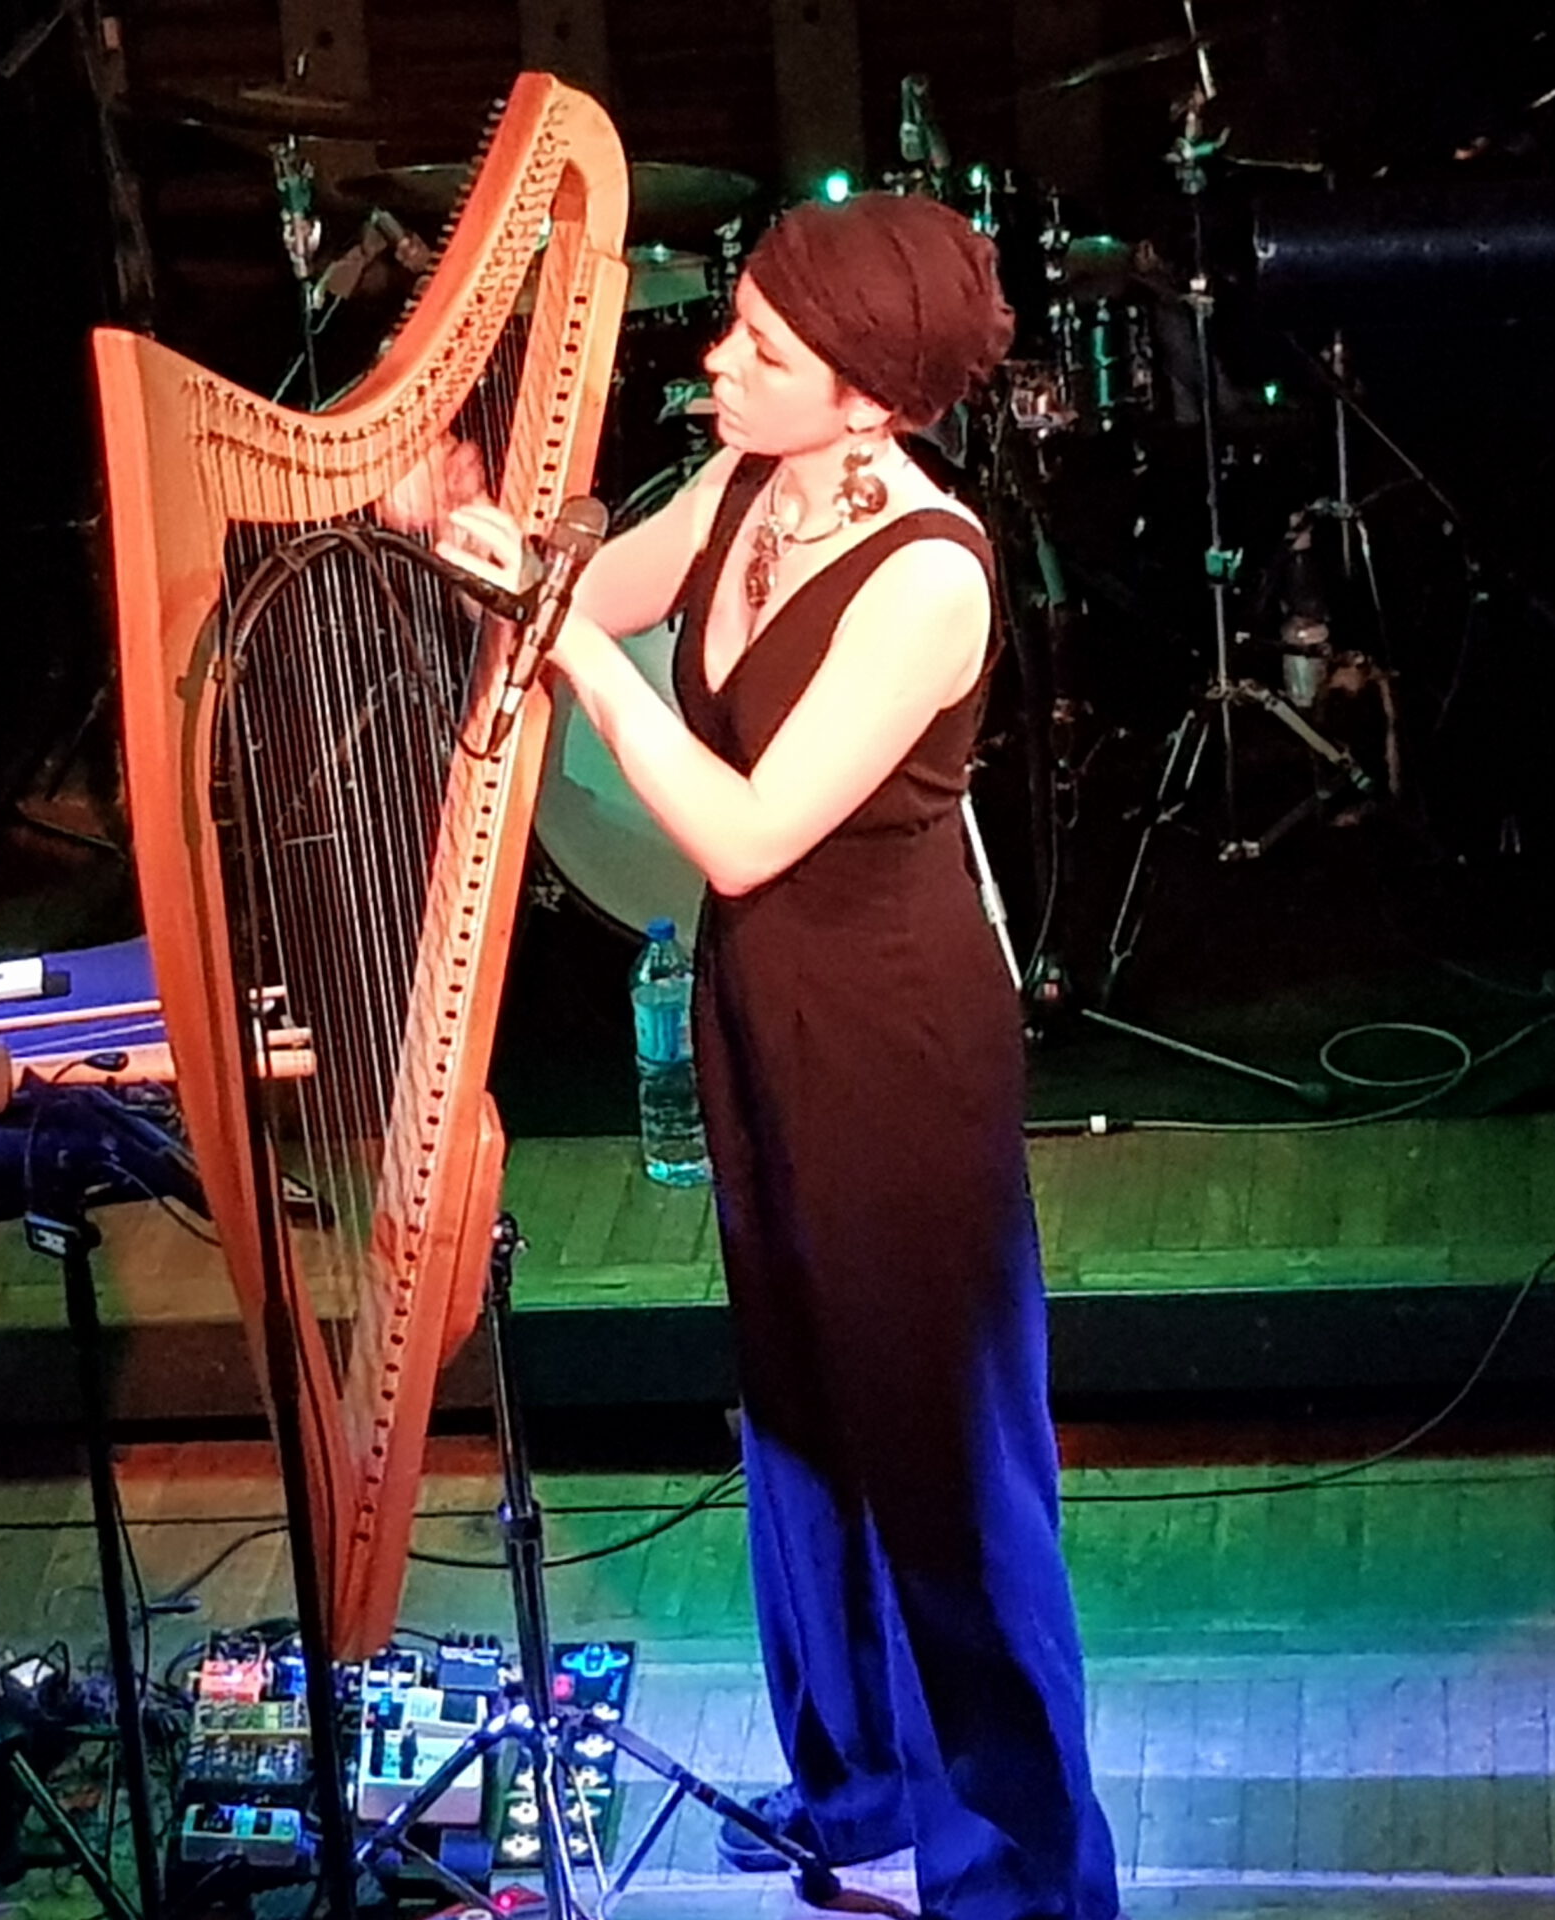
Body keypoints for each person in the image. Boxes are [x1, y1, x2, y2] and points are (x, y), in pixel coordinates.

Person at [437, 192, 1119, 1920]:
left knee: (948, 1463)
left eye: (764, 350)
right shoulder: (753, 481)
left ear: (872, 400)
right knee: (807, 1417)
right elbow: (581, 573)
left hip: (892, 1042)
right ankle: (862, 1780)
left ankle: (1026, 1877)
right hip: (760, 1014)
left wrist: (577, 654)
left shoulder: (930, 574)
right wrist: (451, 532)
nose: (719, 363)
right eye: (737, 326)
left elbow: (742, 834)